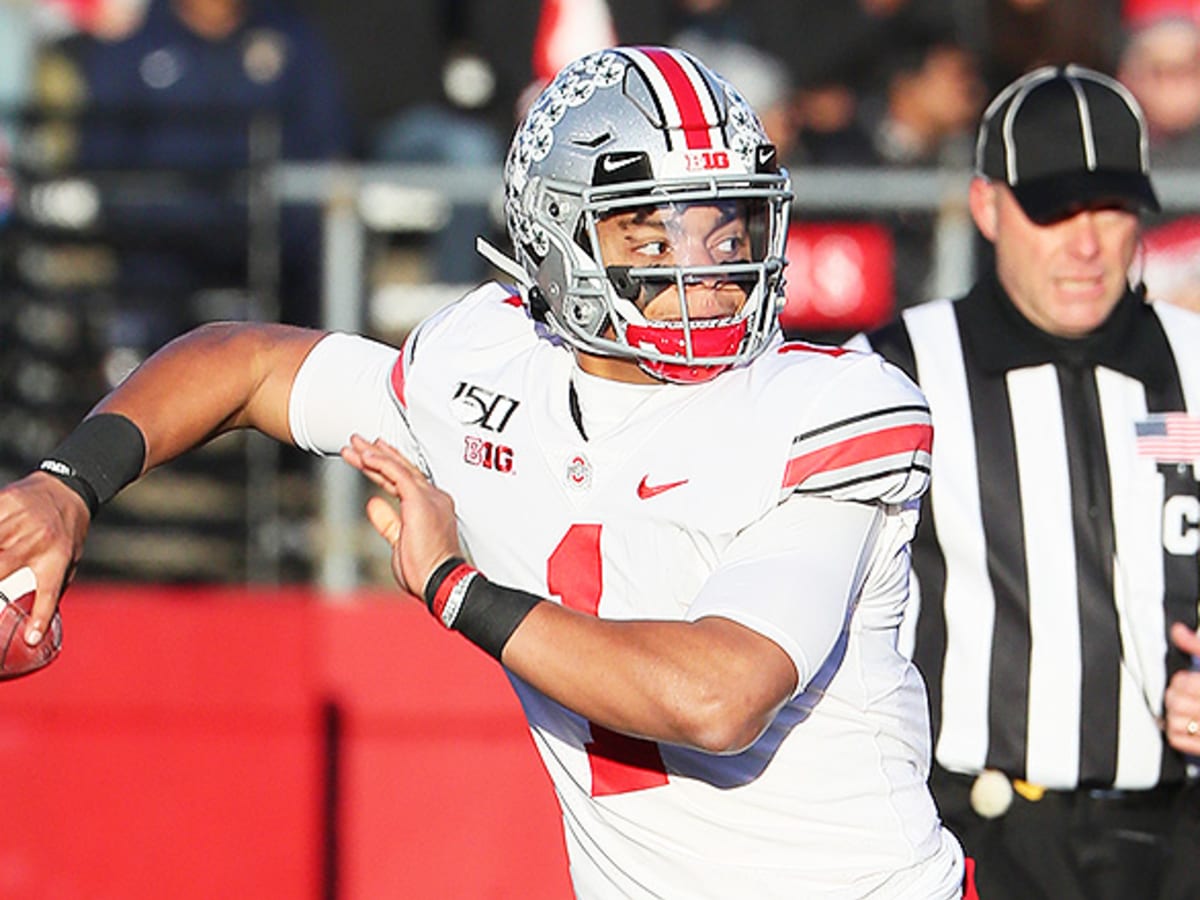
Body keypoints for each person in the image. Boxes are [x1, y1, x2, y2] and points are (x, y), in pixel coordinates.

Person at [0, 46, 966, 897]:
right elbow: (245, 360)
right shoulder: (485, 365)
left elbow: (716, 699)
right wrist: (64, 488)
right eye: (652, 230)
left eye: (728, 227)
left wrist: (457, 589)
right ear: (557, 234)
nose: (706, 264)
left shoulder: (828, 406)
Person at [848, 64, 1200, 900]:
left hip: (1178, 833)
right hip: (976, 832)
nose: (1086, 245)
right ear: (987, 208)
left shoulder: (1194, 361)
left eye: (1110, 209)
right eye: (1053, 210)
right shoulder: (892, 375)